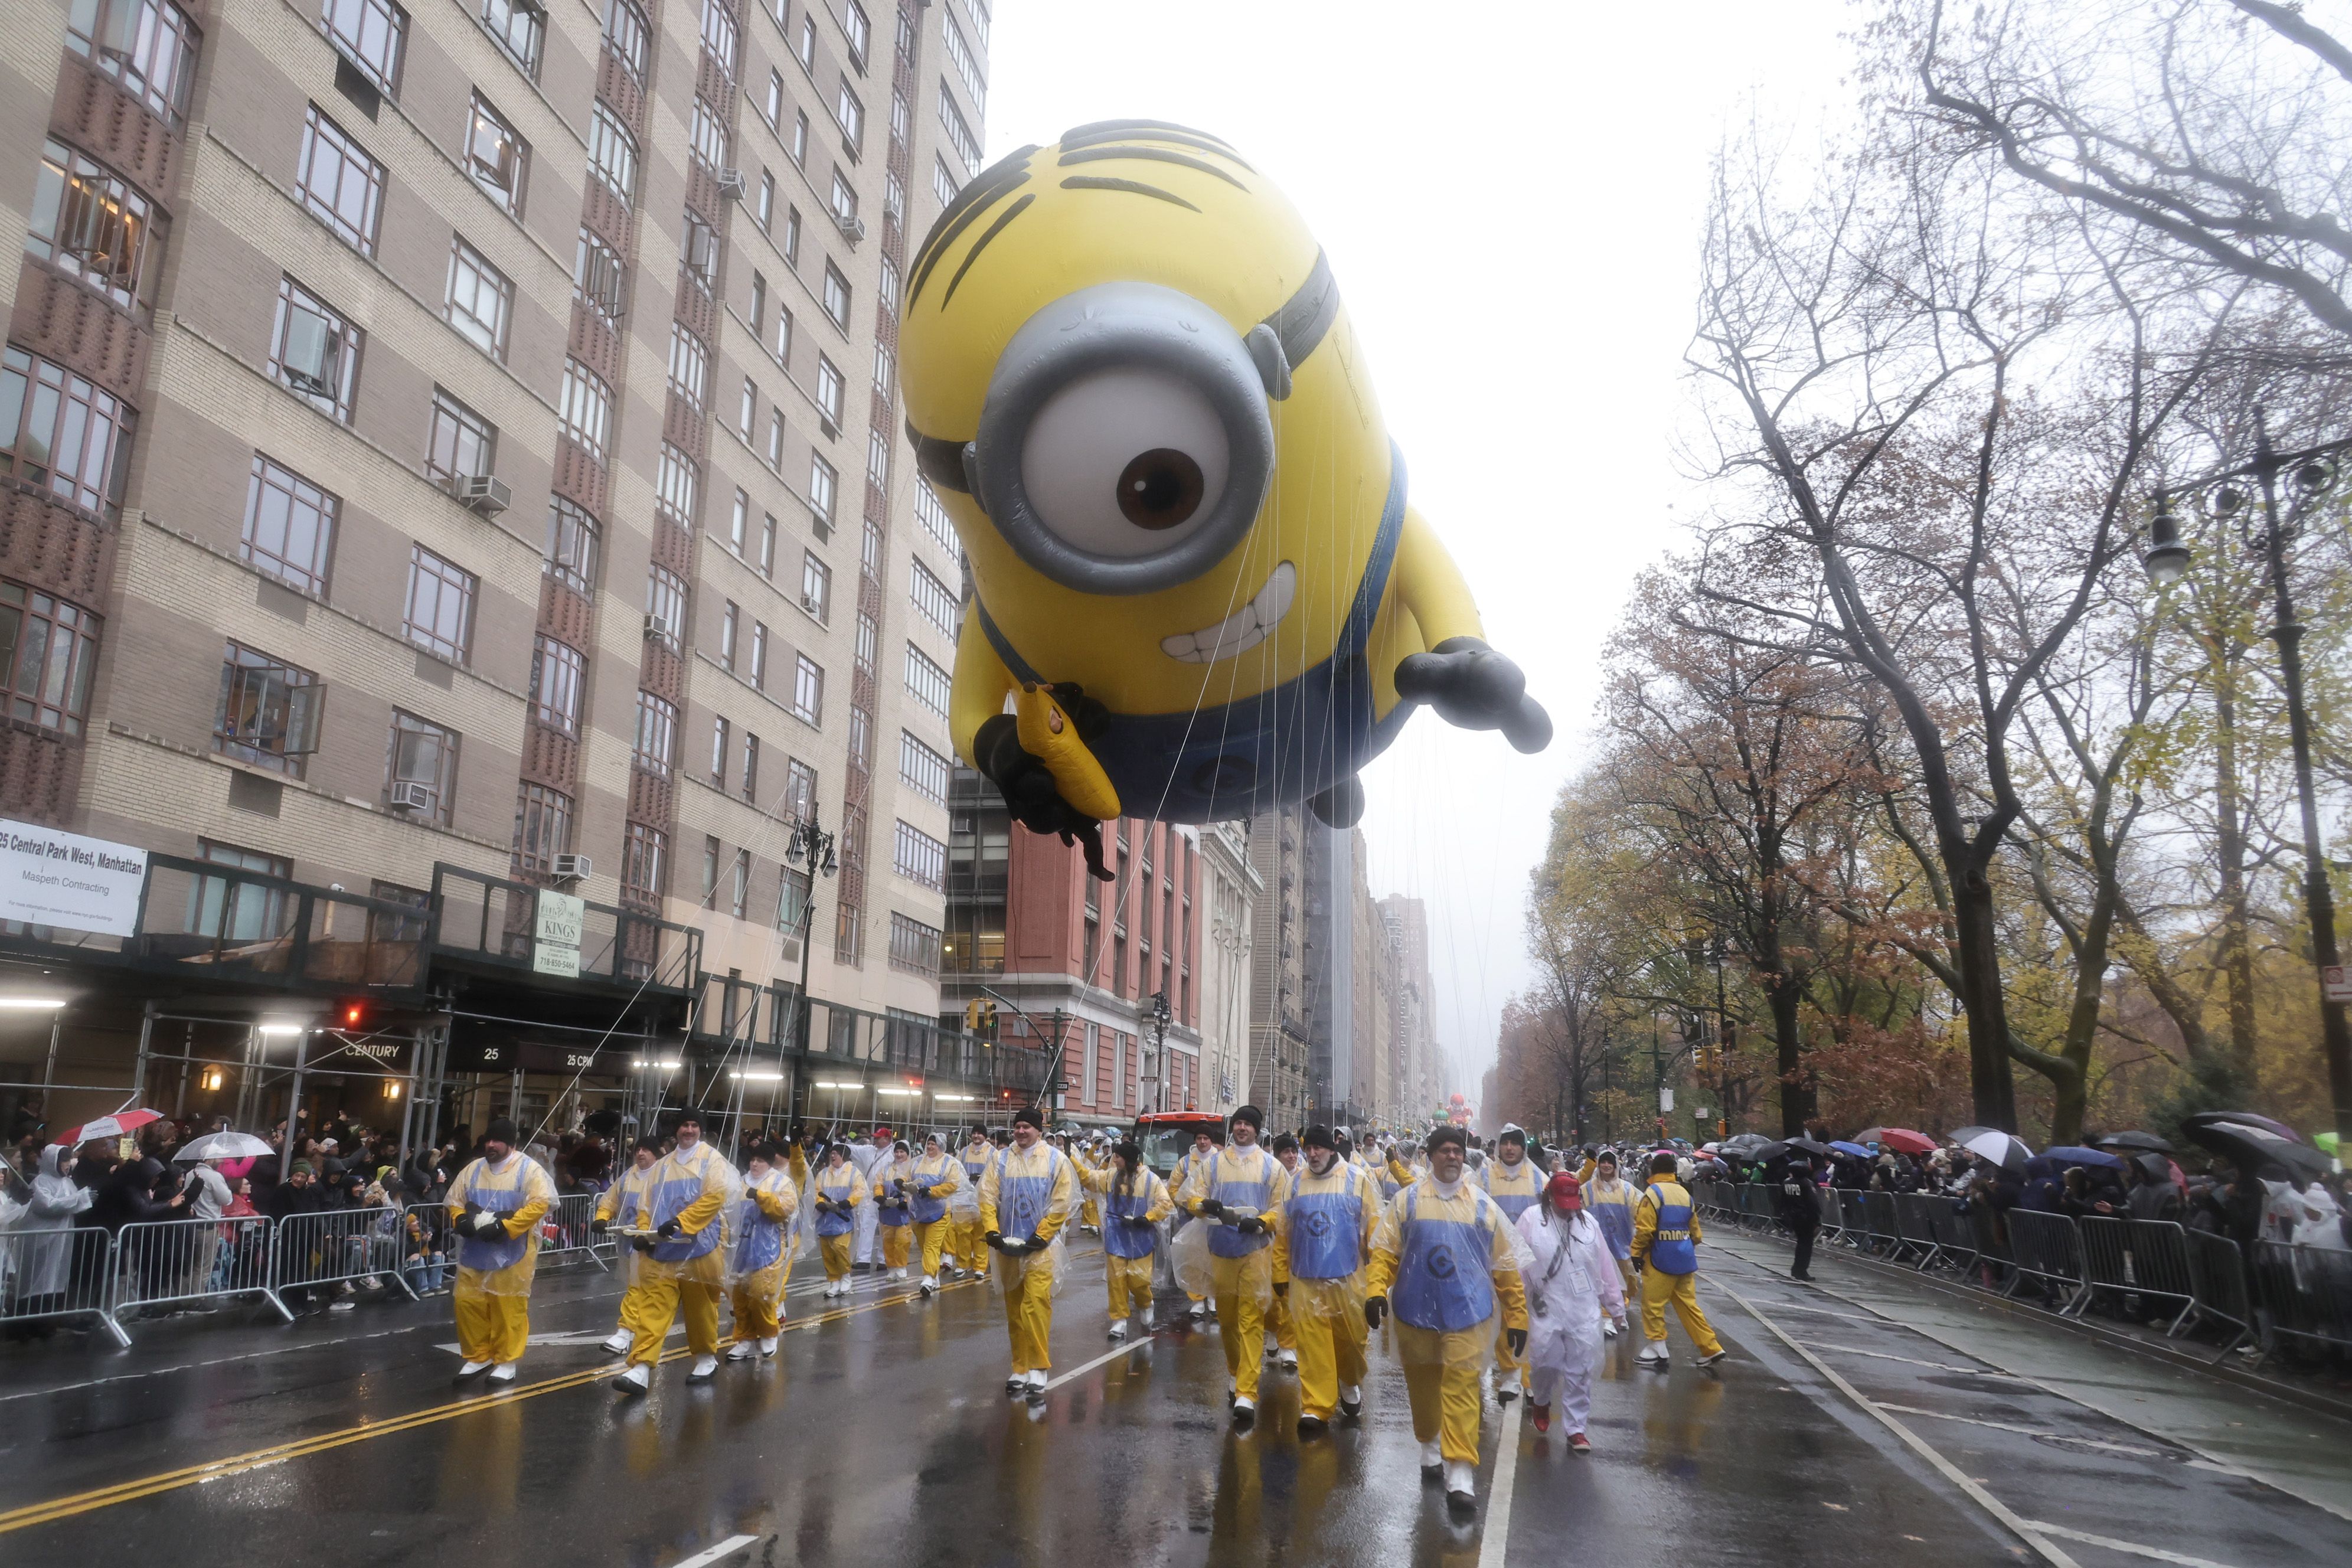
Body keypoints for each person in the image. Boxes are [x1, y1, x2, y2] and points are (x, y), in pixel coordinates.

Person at [1363, 1122, 1528, 1513]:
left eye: (1457, 1151)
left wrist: (1518, 1316)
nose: (1452, 1157)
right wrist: (1374, 1291)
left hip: (1468, 1315)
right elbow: (1384, 1253)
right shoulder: (1406, 1202)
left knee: (1463, 1388)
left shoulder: (1484, 1206)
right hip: (1415, 1313)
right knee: (1423, 1388)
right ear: (1431, 1156)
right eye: (1444, 1151)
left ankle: (1460, 1469)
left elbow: (1505, 1268)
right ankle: (1430, 1445)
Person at [1180, 1105, 1292, 1429]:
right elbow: (1192, 1195)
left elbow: (1282, 1208)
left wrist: (1261, 1222)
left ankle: (1246, 1391)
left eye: (1248, 1124)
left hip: (1256, 1252)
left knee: (1251, 1319)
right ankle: (1234, 1372)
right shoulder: (1214, 1164)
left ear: (1257, 1130)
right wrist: (1203, 1205)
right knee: (1228, 1320)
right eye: (1238, 1123)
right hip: (1221, 1250)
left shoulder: (1271, 1167)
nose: (1242, 1128)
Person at [613, 1113, 737, 1394]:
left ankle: (706, 1358)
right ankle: (641, 1367)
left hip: (700, 1249)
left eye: (695, 1126)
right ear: (677, 1129)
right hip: (662, 1251)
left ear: (700, 1131)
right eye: (685, 1125)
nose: (689, 1130)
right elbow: (647, 1204)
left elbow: (714, 1196)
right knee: (652, 1308)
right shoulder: (663, 1166)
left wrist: (682, 1222)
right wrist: (645, 1234)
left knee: (701, 1308)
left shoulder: (711, 1159)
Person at [1278, 1126, 1379, 1435]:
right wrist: (1280, 1273)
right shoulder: (1295, 1184)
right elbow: (1283, 1233)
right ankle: (1316, 1406)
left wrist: (1377, 1285)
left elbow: (1375, 1233)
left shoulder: (1357, 1180)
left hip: (1348, 1280)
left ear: (1331, 1150)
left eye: (1318, 1149)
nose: (1312, 1154)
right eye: (1308, 1149)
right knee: (1311, 1345)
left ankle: (1349, 1380)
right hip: (1305, 1280)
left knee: (1351, 1342)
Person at [1514, 1172, 1625, 1447]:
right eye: (1561, 1201)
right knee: (1543, 1362)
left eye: (1572, 1202)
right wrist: (1514, 1301)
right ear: (1549, 1196)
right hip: (1546, 1307)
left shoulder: (1589, 1225)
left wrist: (1615, 1307)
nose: (1567, 1208)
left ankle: (1576, 1428)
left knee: (1581, 1370)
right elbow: (1516, 1261)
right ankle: (1541, 1400)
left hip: (1583, 1309)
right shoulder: (1531, 1220)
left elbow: (1605, 1269)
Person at [443, 1118, 557, 1384]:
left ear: (511, 1143)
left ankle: (507, 1361)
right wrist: (459, 1219)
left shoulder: (529, 1170)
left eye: (497, 1141)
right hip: (474, 1251)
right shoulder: (473, 1169)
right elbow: (455, 1200)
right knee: (467, 1304)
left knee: (508, 1307)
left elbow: (541, 1203)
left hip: (513, 1252)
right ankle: (479, 1355)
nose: (491, 1145)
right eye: (488, 1140)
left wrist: (507, 1226)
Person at [978, 1105, 1076, 1396]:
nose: (1021, 1131)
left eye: (1027, 1127)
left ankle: (1038, 1366)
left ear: (1039, 1130)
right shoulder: (1001, 1159)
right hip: (1009, 1246)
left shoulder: (1056, 1161)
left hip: (1040, 1249)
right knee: (1014, 1311)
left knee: (1035, 1307)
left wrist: (1042, 1235)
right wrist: (992, 1230)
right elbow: (986, 1196)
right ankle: (1019, 1367)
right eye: (1018, 1126)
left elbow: (1062, 1202)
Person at [1631, 1150, 1724, 1369]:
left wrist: (1636, 1253)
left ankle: (1657, 1347)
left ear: (1653, 1171)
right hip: (1684, 1260)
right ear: (1674, 1172)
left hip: (1658, 1259)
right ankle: (1710, 1347)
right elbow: (1696, 1233)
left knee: (1652, 1305)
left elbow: (1645, 1230)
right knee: (1689, 1306)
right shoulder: (1684, 1194)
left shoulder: (1653, 1194)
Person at [1477, 1125, 1543, 1404]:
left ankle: (1530, 1377)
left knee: (1533, 1318)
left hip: (1531, 1260)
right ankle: (1512, 1375)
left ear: (1522, 1148)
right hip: (1497, 1259)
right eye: (1505, 1144)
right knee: (1504, 1318)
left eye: (1515, 1144)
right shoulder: (1484, 1176)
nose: (1510, 1149)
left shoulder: (1539, 1179)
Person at [1080, 1139, 1171, 1339]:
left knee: (1139, 1280)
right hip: (1116, 1238)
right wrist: (1071, 1158)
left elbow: (1165, 1204)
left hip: (1141, 1238)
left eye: (1118, 1157)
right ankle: (1119, 1320)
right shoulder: (1111, 1176)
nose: (1114, 1160)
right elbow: (1088, 1178)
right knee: (1117, 1281)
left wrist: (1147, 1218)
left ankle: (1146, 1303)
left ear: (1128, 1160)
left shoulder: (1150, 1180)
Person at [724, 1142, 800, 1362]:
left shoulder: (781, 1182)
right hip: (741, 1249)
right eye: (753, 1160)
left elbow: (785, 1210)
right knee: (740, 1298)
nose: (755, 1164)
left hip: (768, 1248)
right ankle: (744, 1339)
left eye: (760, 1160)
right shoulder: (741, 1182)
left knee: (761, 1295)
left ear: (769, 1162)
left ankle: (768, 1333)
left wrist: (760, 1196)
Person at [592, 1138, 662, 1355]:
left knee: (638, 1288)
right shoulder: (628, 1176)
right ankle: (641, 1333)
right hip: (628, 1241)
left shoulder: (663, 1175)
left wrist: (655, 1236)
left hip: (653, 1244)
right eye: (638, 1150)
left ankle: (624, 1333)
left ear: (655, 1153)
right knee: (639, 1289)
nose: (640, 1153)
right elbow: (611, 1200)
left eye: (646, 1150)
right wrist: (602, 1218)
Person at [1170, 1126, 1222, 1321]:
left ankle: (1215, 1298)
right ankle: (1197, 1301)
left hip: (1216, 1220)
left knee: (1215, 1259)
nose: (1202, 1142)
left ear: (1211, 1141)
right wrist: (1187, 1204)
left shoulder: (1222, 1161)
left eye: (1206, 1138)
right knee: (1195, 1261)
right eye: (1199, 1138)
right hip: (1191, 1219)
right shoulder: (1184, 1163)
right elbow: (1174, 1188)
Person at [1582, 1150, 1638, 1323]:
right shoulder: (1587, 1189)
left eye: (1610, 1163)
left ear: (1615, 1166)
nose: (1606, 1166)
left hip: (1622, 1244)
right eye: (1603, 1162)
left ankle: (1619, 1309)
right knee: (1599, 1278)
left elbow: (1638, 1212)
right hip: (1597, 1244)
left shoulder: (1627, 1189)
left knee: (1626, 1278)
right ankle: (1604, 1313)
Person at [907, 1132, 965, 1295]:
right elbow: (905, 1175)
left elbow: (953, 1185)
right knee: (923, 1245)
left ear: (941, 1146)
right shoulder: (917, 1161)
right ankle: (934, 1278)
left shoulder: (950, 1163)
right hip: (918, 1212)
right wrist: (903, 1184)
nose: (930, 1147)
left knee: (931, 1245)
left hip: (940, 1212)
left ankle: (927, 1278)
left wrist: (932, 1191)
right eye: (929, 1143)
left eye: (934, 1144)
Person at [809, 1140, 867, 1297]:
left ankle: (846, 1277)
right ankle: (834, 1281)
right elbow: (817, 1191)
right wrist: (820, 1203)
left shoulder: (854, 1173)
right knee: (827, 1251)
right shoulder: (823, 1174)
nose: (832, 1156)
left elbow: (859, 1190)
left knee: (840, 1247)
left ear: (844, 1156)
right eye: (832, 1153)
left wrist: (848, 1202)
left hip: (844, 1218)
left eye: (836, 1153)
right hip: (826, 1219)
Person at [1762, 1145, 1824, 1282]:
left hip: (1793, 1217)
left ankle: (1796, 1269)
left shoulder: (1786, 1183)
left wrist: (1785, 1215)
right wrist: (1817, 1220)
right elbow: (1813, 1203)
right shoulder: (1807, 1184)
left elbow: (1782, 1201)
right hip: (1806, 1218)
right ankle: (1802, 1270)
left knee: (1800, 1243)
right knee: (1806, 1245)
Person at [952, 1128, 995, 1279]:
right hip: (965, 1197)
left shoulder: (993, 1153)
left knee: (981, 1233)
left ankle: (980, 1266)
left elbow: (996, 1173)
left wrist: (982, 1178)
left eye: (979, 1133)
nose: (976, 1136)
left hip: (984, 1196)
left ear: (985, 1136)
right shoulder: (963, 1152)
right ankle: (963, 1264)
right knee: (962, 1231)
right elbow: (956, 1170)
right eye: (974, 1133)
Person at [850, 1126, 891, 1269]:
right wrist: (835, 1145)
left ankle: (884, 1259)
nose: (876, 1140)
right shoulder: (869, 1151)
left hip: (886, 1195)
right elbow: (852, 1149)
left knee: (885, 1227)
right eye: (876, 1138)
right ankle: (863, 1259)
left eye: (879, 1138)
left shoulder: (894, 1153)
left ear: (887, 1139)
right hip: (869, 1196)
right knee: (866, 1226)